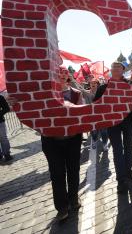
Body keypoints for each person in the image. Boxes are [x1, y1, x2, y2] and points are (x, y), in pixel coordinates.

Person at [41, 66, 83, 221]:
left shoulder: (76, 94)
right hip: (51, 141)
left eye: (64, 75)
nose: (62, 77)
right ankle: (62, 207)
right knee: (57, 174)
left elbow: (81, 112)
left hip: (72, 139)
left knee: (73, 170)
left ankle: (73, 199)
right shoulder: (45, 94)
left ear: (68, 77)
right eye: (58, 75)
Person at [94, 61, 132, 194]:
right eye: (113, 66)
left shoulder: (130, 85)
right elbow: (96, 105)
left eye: (118, 66)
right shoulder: (103, 88)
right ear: (111, 70)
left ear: (123, 70)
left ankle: (128, 170)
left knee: (128, 147)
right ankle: (121, 180)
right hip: (112, 124)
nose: (115, 68)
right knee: (117, 150)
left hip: (129, 122)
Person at [81, 79, 109, 151]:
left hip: (102, 115)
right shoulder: (86, 93)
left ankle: (105, 144)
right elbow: (79, 89)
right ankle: (94, 141)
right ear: (89, 84)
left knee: (104, 131)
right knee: (94, 132)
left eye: (95, 83)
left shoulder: (102, 92)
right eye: (91, 83)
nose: (93, 84)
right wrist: (72, 80)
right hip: (92, 116)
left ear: (97, 84)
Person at [0, 94, 13, 162]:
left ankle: (7, 154)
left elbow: (6, 108)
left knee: (3, 138)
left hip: (0, 121)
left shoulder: (0, 97)